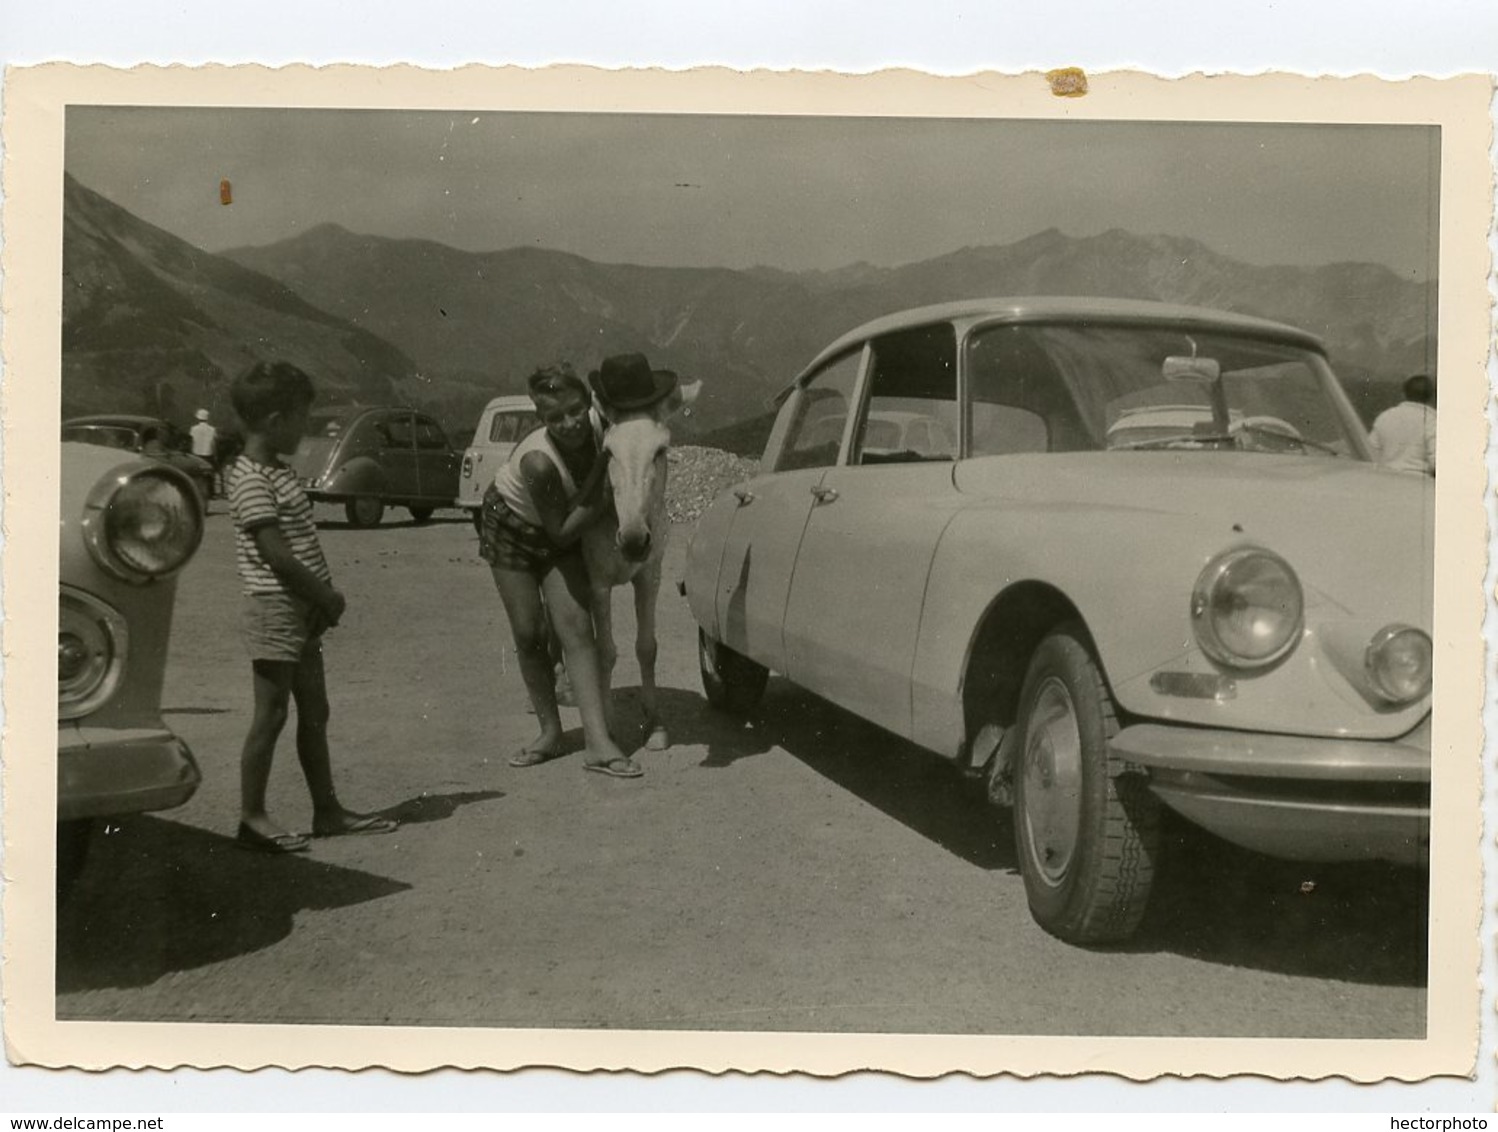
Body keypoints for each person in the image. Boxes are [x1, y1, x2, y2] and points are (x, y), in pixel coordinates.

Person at [225, 361, 398, 852]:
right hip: (276, 607)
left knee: (315, 711)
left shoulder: (278, 472)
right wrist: (324, 595)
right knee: (272, 712)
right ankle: (252, 817)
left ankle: (327, 811)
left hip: (302, 609)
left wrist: (318, 601)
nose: (308, 426)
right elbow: (276, 554)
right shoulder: (250, 478)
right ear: (276, 419)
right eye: (303, 416)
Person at [480, 363, 640, 777]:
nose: (568, 424)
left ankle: (597, 742)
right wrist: (606, 492)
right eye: (554, 418)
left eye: (574, 410)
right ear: (540, 419)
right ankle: (549, 732)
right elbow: (563, 532)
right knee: (529, 633)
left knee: (575, 625)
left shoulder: (602, 426)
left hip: (564, 522)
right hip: (514, 527)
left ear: (588, 402)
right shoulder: (538, 461)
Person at [1368, 374, 1436, 477]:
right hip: (1418, 483)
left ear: (1404, 394)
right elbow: (1436, 461)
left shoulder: (1385, 416)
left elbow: (1370, 452)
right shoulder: (1433, 420)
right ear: (1431, 396)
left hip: (1385, 479)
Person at [190, 408, 219, 495]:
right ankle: (211, 492)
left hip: (196, 454)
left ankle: (197, 490)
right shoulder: (212, 429)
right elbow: (213, 443)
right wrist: (215, 454)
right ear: (207, 418)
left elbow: (191, 442)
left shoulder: (193, 429)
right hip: (208, 453)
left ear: (198, 418)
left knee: (197, 473)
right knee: (210, 473)